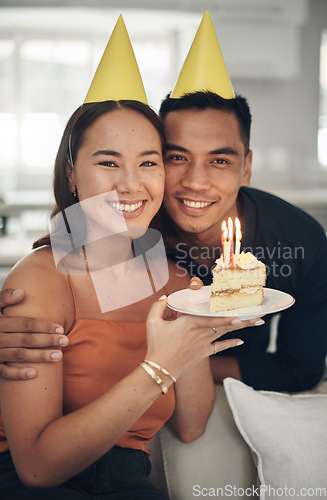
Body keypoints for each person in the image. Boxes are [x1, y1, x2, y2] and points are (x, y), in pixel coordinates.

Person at [0, 94, 265, 499]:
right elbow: (38, 470)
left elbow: (191, 426)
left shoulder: (177, 284)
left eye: (148, 163)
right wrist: (160, 364)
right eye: (108, 162)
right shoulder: (39, 281)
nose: (130, 184)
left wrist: (195, 332)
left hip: (129, 485)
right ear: (71, 174)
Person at [153, 89, 327, 393]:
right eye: (177, 157)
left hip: (237, 382)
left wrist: (183, 362)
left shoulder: (303, 243)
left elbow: (300, 369)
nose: (195, 181)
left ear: (246, 168)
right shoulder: (133, 229)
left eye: (219, 160)